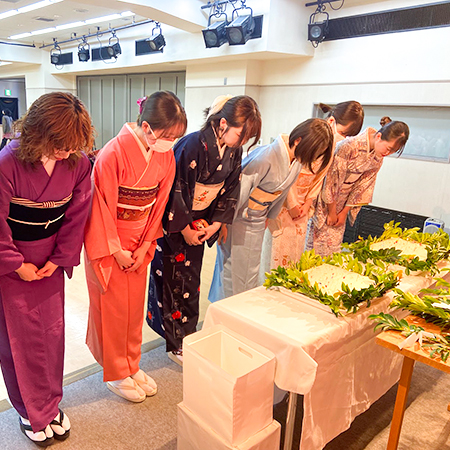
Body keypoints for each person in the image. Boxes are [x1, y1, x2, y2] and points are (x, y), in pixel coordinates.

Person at [0, 92, 94, 446]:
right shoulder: (6, 163)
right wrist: (15, 264)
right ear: (38, 132)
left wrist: (58, 259)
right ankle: (28, 409)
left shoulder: (77, 163)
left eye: (73, 146)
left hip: (51, 260)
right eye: (60, 145)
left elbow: (76, 216)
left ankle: (50, 404)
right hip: (13, 264)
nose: (66, 154)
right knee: (18, 341)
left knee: (52, 335)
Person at [84, 91, 187, 403]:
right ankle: (115, 372)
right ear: (147, 128)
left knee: (132, 309)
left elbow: (160, 202)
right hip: (110, 241)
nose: (171, 142)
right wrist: (116, 249)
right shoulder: (113, 153)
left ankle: (131, 363)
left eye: (176, 136)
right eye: (168, 135)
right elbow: (99, 206)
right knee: (113, 310)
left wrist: (144, 246)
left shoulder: (164, 155)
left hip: (140, 241)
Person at [146, 95, 262, 364]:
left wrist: (216, 223)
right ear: (222, 124)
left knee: (191, 283)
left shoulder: (234, 151)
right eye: (241, 134)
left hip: (200, 223)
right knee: (172, 282)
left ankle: (188, 334)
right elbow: (174, 188)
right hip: (177, 224)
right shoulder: (191, 144)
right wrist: (184, 227)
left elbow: (230, 189)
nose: (242, 142)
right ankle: (175, 342)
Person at [209, 118, 334, 302]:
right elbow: (239, 190)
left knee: (250, 271)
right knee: (231, 269)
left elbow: (282, 192)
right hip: (239, 218)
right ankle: (224, 311)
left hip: (258, 219)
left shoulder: (296, 161)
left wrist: (269, 215)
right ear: (298, 140)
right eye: (310, 153)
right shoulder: (266, 157)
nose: (309, 160)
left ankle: (241, 310)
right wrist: (224, 222)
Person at [267, 101, 364, 268]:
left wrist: (308, 202)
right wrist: (292, 204)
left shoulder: (333, 145)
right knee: (276, 254)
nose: (344, 139)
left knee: (296, 254)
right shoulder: (310, 136)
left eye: (349, 136)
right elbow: (288, 170)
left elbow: (320, 177)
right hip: (284, 202)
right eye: (343, 133)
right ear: (332, 122)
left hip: (303, 206)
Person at [312, 120, 410, 256]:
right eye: (388, 148)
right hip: (325, 201)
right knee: (315, 246)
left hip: (344, 201)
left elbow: (363, 186)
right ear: (379, 136)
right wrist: (332, 211)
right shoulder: (348, 146)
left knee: (334, 247)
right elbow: (330, 180)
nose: (387, 153)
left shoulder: (377, 157)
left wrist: (344, 212)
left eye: (392, 151)